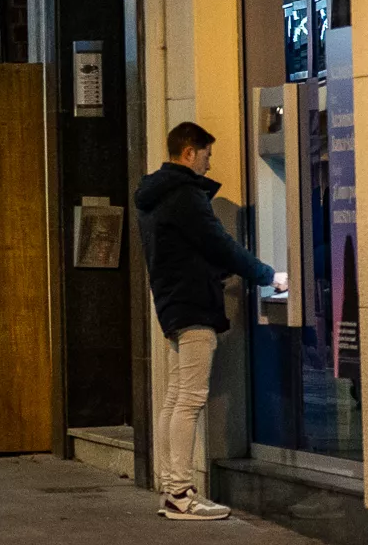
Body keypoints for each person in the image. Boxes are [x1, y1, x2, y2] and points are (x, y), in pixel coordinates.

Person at [134, 121, 275, 521]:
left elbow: (191, 248)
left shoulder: (155, 195)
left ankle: (170, 488)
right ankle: (180, 493)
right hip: (193, 305)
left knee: (177, 395)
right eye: (208, 155)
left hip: (173, 301)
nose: (210, 165)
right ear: (190, 152)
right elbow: (220, 244)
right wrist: (267, 274)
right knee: (190, 399)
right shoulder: (184, 195)